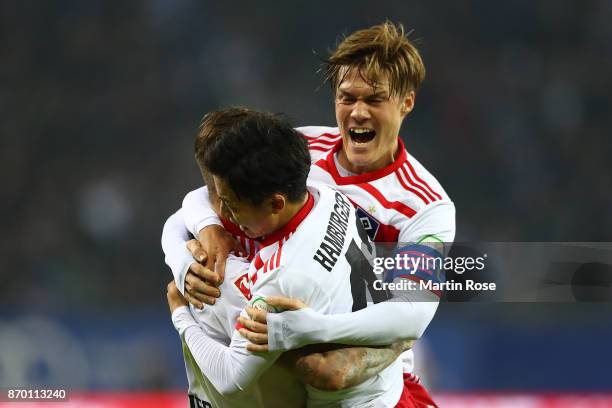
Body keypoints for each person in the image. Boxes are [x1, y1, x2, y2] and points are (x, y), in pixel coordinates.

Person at [164, 21, 455, 406]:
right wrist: (209, 228)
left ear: (406, 102)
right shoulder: (303, 146)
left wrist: (314, 328)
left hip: (364, 379)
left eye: (375, 99)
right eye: (347, 98)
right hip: (270, 346)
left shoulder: (426, 206)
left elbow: (410, 314)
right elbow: (200, 199)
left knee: (330, 370)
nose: (358, 113)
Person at [166, 108, 415, 407]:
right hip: (390, 388)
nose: (225, 214)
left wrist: (180, 314)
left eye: (231, 206)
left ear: (275, 204)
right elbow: (192, 205)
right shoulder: (326, 196)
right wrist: (205, 231)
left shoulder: (277, 277)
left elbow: (231, 378)